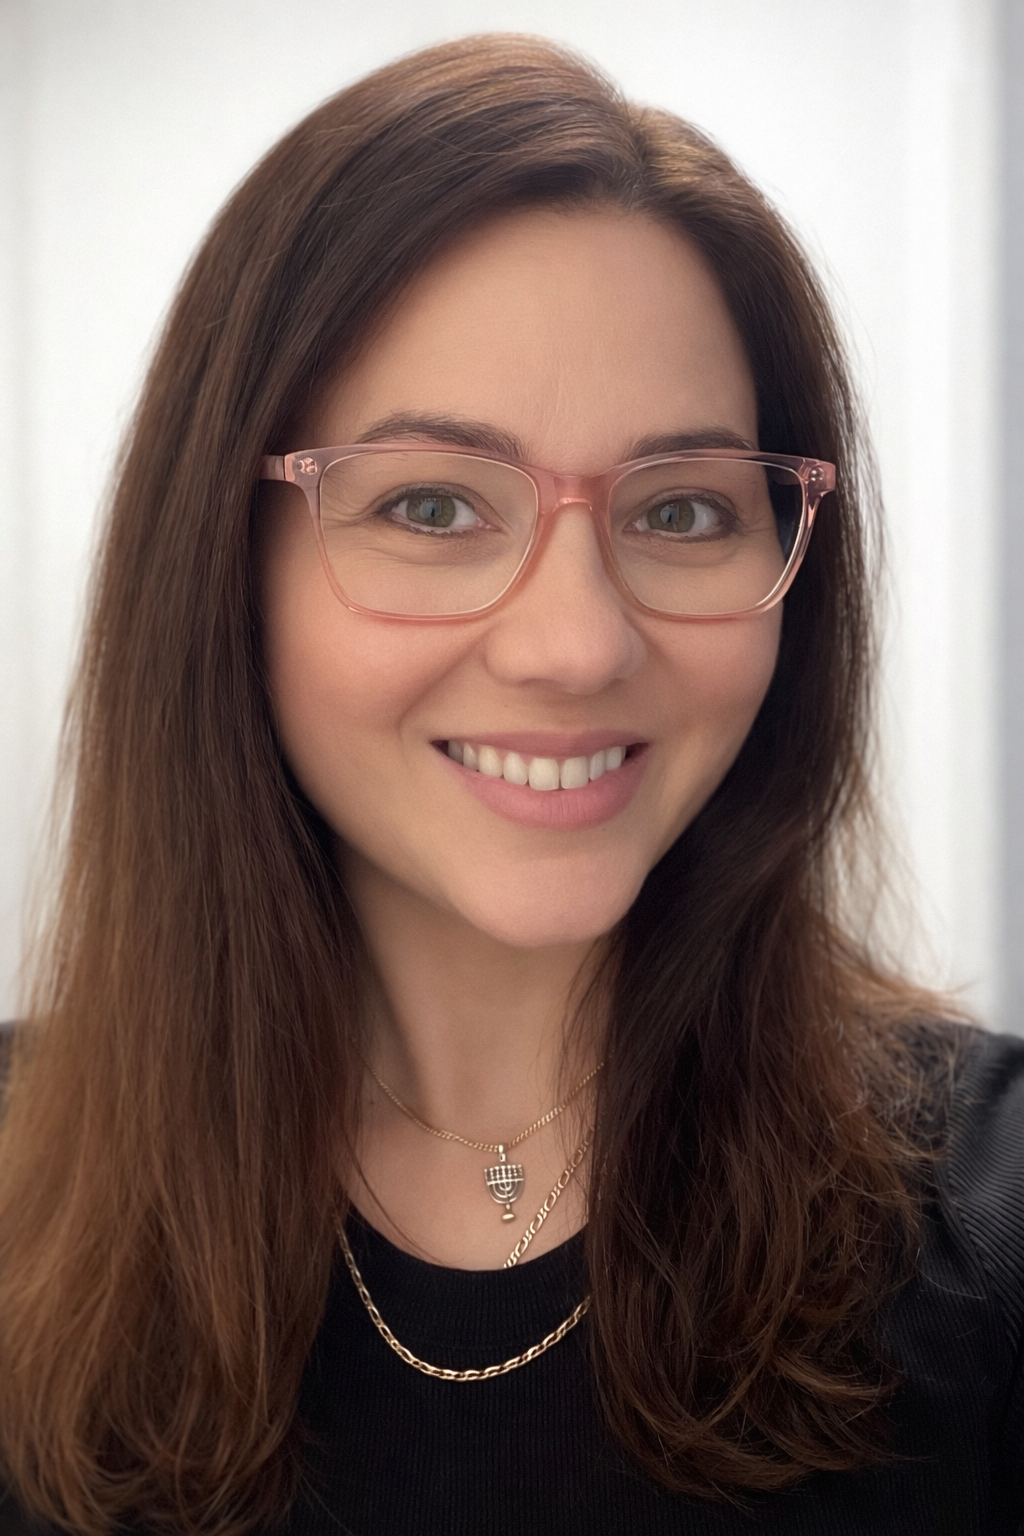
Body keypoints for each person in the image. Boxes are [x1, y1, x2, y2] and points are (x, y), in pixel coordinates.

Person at [0, 33, 1020, 1536]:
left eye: (681, 508)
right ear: (222, 566)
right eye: (431, 503)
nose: (575, 644)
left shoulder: (989, 1229)